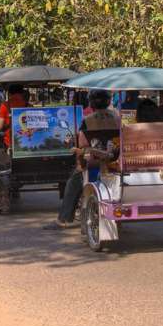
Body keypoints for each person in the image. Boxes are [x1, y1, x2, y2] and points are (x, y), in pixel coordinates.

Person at [47, 89, 120, 229]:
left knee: (73, 182)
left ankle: (64, 219)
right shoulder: (117, 117)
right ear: (109, 101)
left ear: (91, 102)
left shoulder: (88, 120)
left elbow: (83, 144)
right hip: (114, 159)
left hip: (94, 161)